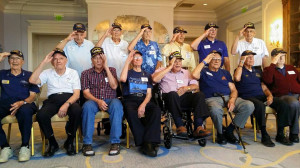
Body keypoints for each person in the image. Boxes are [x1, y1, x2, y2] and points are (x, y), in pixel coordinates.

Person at [192, 50, 254, 145]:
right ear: (209, 60)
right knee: (215, 110)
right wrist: (204, 61)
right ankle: (220, 133)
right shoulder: (204, 71)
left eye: (219, 59)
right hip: (212, 99)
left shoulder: (225, 73)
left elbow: (233, 89)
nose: (217, 61)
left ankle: (229, 130)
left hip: (228, 97)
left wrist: (232, 100)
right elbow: (194, 75)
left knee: (249, 105)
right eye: (214, 59)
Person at [29, 49, 82, 157]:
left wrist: (66, 104)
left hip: (69, 99)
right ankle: (52, 143)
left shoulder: (73, 72)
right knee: (41, 115)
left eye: (61, 58)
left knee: (77, 110)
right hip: (52, 100)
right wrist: (43, 62)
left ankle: (70, 141)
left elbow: (76, 94)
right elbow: (32, 81)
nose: (58, 61)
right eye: (55, 59)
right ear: (52, 61)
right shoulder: (47, 72)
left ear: (66, 60)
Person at [233, 50, 291, 147]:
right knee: (260, 106)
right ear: (243, 59)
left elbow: (264, 86)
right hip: (247, 97)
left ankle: (280, 134)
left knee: (282, 103)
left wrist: (269, 95)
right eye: (249, 57)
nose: (252, 59)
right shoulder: (239, 70)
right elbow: (237, 78)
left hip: (261, 96)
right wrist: (241, 63)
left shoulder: (258, 71)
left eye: (252, 57)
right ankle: (264, 134)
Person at [152, 51, 210, 137]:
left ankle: (198, 127)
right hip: (169, 99)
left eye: (179, 61)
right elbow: (154, 79)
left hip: (184, 97)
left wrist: (187, 88)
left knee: (200, 95)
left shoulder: (186, 72)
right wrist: (169, 67)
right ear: (169, 62)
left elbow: (195, 86)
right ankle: (180, 126)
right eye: (175, 61)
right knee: (173, 94)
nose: (178, 63)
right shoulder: (162, 70)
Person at [81, 47, 123, 156]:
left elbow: (114, 86)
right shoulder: (86, 73)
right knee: (87, 107)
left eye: (101, 58)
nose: (98, 61)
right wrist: (98, 101)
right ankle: (87, 143)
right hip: (94, 100)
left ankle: (115, 142)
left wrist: (106, 68)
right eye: (95, 58)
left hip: (111, 100)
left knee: (117, 105)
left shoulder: (112, 70)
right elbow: (85, 93)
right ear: (91, 60)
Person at [0, 50, 39, 162]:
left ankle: (25, 146)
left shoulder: (29, 75)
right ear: (8, 61)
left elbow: (32, 96)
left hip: (25, 103)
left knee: (25, 112)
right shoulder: (2, 74)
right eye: (12, 58)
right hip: (5, 104)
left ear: (23, 61)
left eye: (18, 58)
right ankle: (5, 147)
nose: (15, 61)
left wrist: (22, 102)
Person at [120, 50, 161, 157]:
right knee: (130, 112)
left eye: (139, 58)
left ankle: (150, 141)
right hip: (130, 99)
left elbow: (149, 94)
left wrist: (143, 105)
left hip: (144, 99)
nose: (137, 59)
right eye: (135, 57)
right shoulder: (128, 73)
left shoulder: (147, 75)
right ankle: (145, 143)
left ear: (142, 60)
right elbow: (122, 79)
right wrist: (126, 62)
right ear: (132, 60)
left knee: (156, 110)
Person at [262, 48, 299, 144]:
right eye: (279, 56)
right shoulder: (269, 69)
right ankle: (294, 134)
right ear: (273, 58)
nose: (282, 58)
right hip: (282, 96)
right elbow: (267, 81)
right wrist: (273, 64)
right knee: (294, 104)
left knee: (295, 104)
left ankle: (293, 133)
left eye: (283, 56)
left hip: (296, 94)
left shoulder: (291, 68)